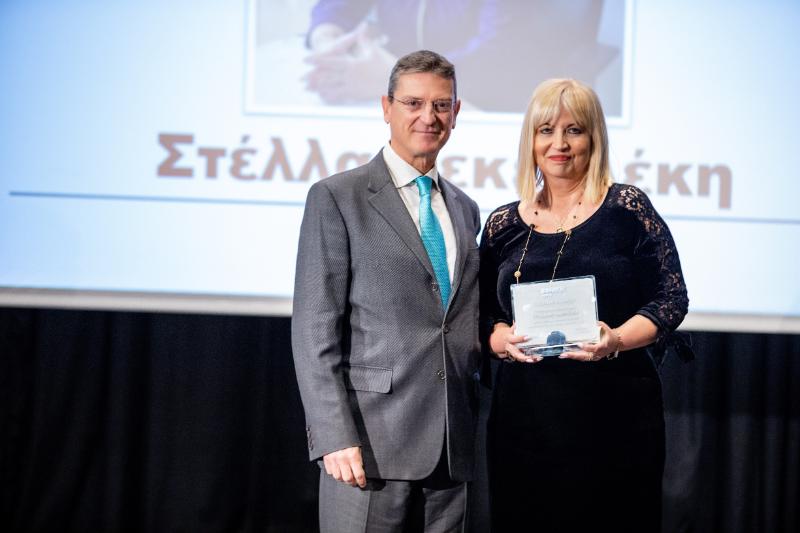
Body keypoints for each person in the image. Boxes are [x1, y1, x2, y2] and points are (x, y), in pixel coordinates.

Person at [479, 78, 692, 532]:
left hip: (615, 413)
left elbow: (671, 297)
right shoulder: (501, 225)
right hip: (525, 419)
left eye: (573, 130)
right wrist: (499, 338)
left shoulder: (626, 209)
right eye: (546, 130)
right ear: (530, 140)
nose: (559, 144)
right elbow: (480, 316)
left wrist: (615, 339)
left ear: (593, 138)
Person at [292, 49, 482, 532]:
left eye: (441, 105)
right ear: (386, 107)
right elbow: (315, 330)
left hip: (451, 449)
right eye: (413, 103)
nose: (428, 117)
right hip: (367, 449)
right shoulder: (338, 197)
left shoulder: (465, 209)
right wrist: (333, 435)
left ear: (456, 113)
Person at [303, 0, 620, 113]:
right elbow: (336, 7)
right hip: (411, 102)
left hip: (489, 105)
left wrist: (397, 79)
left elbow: (496, 51)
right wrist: (328, 43)